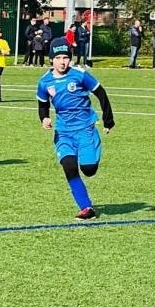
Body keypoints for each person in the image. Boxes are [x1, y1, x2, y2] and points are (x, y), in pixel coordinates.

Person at [36, 39, 115, 220]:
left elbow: (100, 92)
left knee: (88, 169)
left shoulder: (80, 75)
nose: (62, 61)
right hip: (63, 132)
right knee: (70, 167)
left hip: (85, 129)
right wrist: (45, 118)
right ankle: (86, 208)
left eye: (66, 57)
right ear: (51, 60)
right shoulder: (44, 82)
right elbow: (42, 105)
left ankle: (91, 150)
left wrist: (108, 120)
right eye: (58, 58)